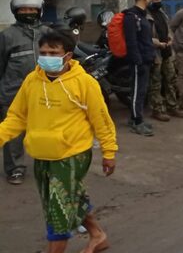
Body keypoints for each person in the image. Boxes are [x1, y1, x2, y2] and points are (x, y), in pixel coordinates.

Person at [0, 30, 118, 253]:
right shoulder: (32, 81)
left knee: (58, 211)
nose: (47, 57)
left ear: (68, 56)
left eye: (53, 52)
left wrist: (109, 152)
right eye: (43, 52)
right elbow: (16, 117)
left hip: (72, 155)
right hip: (41, 154)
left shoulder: (84, 83)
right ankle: (97, 235)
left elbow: (102, 120)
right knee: (71, 198)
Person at [0, 0, 49, 185]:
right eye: (23, 9)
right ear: (15, 11)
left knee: (45, 130)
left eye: (31, 9)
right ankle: (15, 169)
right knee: (14, 134)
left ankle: (47, 165)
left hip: (43, 91)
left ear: (39, 11)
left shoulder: (47, 33)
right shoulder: (7, 36)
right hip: (13, 91)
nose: (27, 12)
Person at [146, 0, 183, 122]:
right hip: (155, 53)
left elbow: (168, 28)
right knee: (156, 83)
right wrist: (156, 43)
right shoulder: (145, 15)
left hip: (167, 52)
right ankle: (157, 109)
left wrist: (170, 38)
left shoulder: (161, 13)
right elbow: (144, 36)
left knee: (171, 80)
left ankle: (172, 106)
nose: (159, 2)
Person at [124, 0, 156, 136]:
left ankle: (135, 118)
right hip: (139, 61)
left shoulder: (142, 16)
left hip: (146, 59)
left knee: (142, 91)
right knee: (137, 91)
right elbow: (131, 41)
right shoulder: (132, 16)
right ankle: (137, 122)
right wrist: (137, 60)